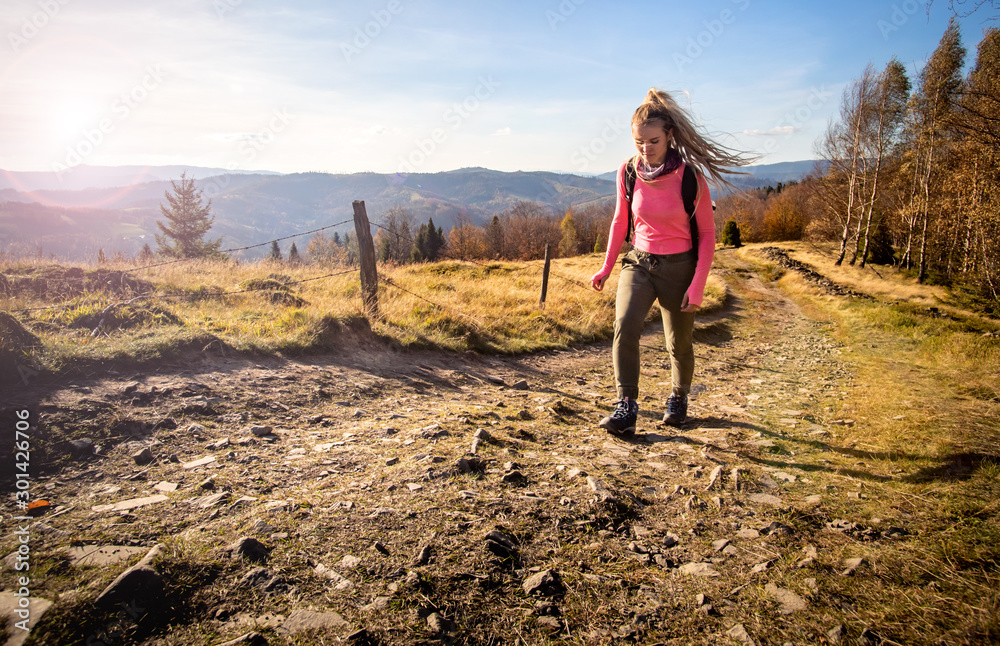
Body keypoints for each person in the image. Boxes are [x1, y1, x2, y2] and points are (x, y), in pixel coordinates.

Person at [591, 88, 751, 435]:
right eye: (638, 143)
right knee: (625, 325)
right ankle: (626, 406)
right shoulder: (628, 171)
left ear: (669, 137)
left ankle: (678, 398)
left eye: (653, 141)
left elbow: (708, 235)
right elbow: (620, 221)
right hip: (640, 262)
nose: (645, 150)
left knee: (677, 343)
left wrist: (698, 286)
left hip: (680, 266)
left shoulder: (690, 177)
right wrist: (606, 267)